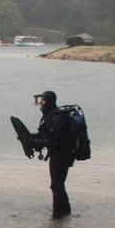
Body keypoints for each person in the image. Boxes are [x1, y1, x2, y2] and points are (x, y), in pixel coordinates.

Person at [28, 90, 74, 219]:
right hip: (57, 154)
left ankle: (57, 216)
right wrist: (29, 137)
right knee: (58, 185)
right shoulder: (49, 115)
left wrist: (34, 142)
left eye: (42, 101)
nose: (40, 103)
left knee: (56, 185)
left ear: (48, 102)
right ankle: (66, 213)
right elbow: (43, 134)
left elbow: (55, 141)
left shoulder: (57, 118)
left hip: (62, 155)